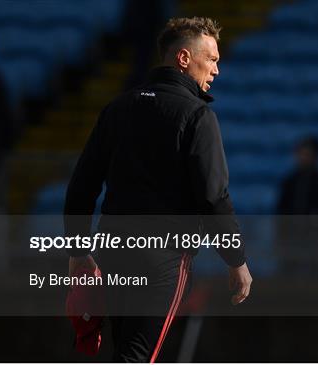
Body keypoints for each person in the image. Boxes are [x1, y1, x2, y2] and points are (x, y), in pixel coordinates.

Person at [64, 17, 252, 362]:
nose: (216, 71)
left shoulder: (118, 108)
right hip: (163, 256)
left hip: (112, 247)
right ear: (183, 58)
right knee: (138, 356)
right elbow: (213, 196)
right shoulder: (197, 115)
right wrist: (235, 260)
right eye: (211, 59)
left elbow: (82, 184)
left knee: (127, 351)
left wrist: (77, 249)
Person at [275, 136, 318, 275]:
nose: (303, 158)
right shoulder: (289, 182)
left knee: (316, 274)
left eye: (307, 154)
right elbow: (281, 211)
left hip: (316, 239)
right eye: (301, 154)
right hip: (292, 237)